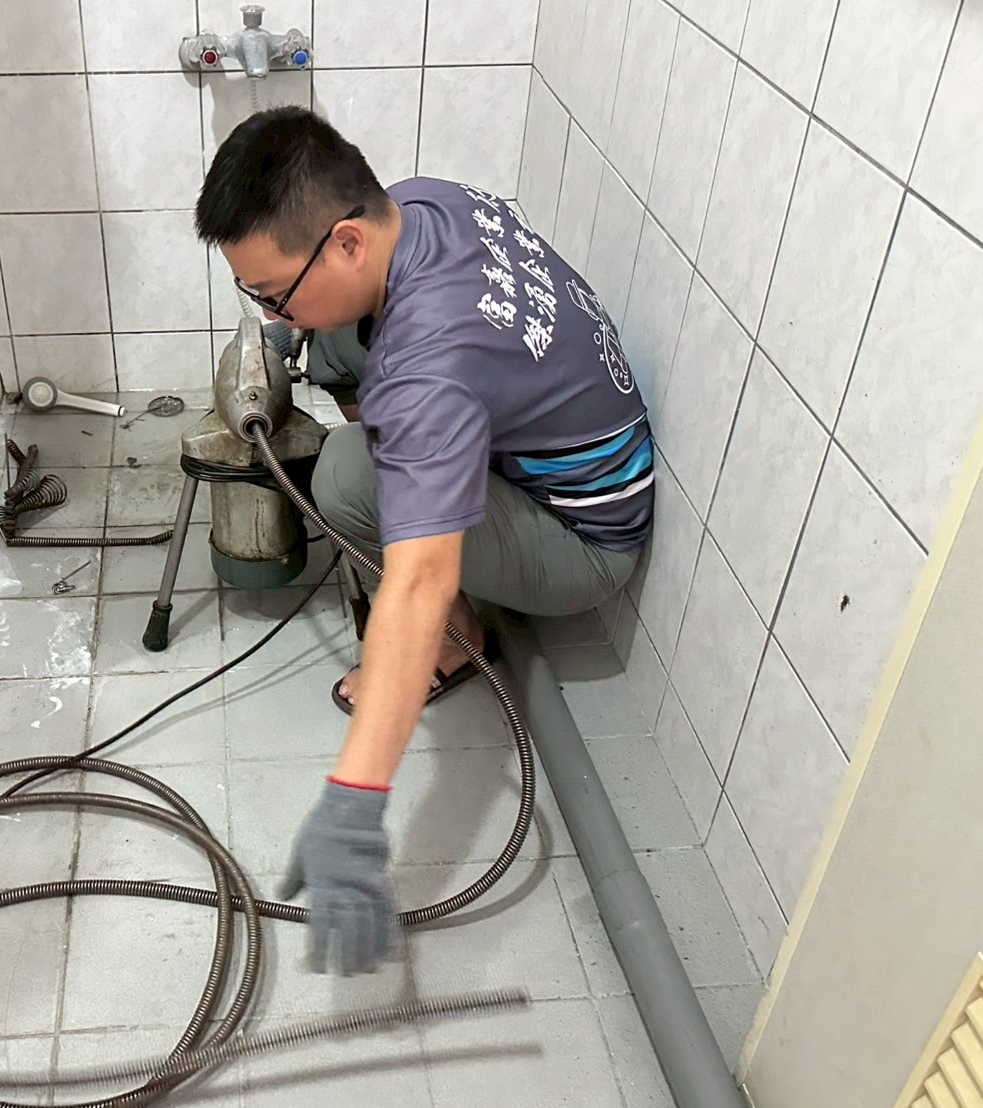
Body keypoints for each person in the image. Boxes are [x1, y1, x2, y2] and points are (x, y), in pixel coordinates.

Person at [194, 107, 653, 976]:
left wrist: (354, 800)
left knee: (346, 477)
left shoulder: (429, 369)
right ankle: (419, 485)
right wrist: (296, 332)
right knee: (336, 341)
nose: (267, 311)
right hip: (554, 447)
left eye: (271, 293)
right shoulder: (418, 204)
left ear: (345, 243)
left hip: (581, 539)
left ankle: (458, 639)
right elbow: (354, 339)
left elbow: (416, 581)